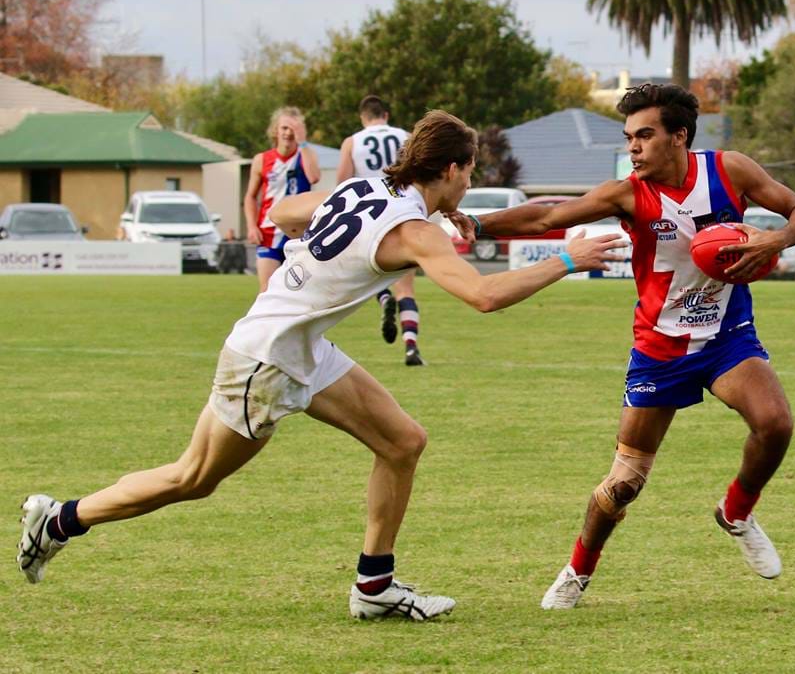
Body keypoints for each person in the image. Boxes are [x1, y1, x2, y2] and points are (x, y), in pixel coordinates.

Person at [17, 110, 625, 621]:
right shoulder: (415, 230)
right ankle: (61, 520)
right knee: (192, 478)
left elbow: (285, 212)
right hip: (267, 358)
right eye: (470, 172)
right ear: (450, 170)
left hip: (301, 347)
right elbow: (484, 296)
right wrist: (567, 261)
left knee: (403, 441)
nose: (470, 183)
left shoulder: (363, 187)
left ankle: (374, 587)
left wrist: (315, 253)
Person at [450, 83, 795, 609]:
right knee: (624, 483)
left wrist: (773, 239)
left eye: (644, 135)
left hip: (726, 337)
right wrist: (477, 223)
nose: (633, 147)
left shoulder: (730, 170)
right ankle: (578, 570)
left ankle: (736, 512)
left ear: (679, 136)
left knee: (776, 423)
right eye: (629, 137)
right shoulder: (627, 194)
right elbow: (547, 217)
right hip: (659, 348)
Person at [336, 95, 423, 366]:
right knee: (406, 288)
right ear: (386, 115)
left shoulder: (352, 142)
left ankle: (383, 297)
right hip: (401, 212)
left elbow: (342, 183)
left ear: (363, 118)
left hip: (369, 215)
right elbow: (418, 175)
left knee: (371, 270)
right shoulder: (406, 137)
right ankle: (411, 346)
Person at [244, 106, 321, 293]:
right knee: (267, 290)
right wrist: (252, 226)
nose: (288, 133)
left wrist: (303, 143)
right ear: (275, 130)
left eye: (293, 129)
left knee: (300, 291)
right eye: (284, 128)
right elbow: (250, 197)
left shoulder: (306, 155)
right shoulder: (262, 159)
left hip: (298, 234)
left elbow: (314, 177)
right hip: (269, 233)